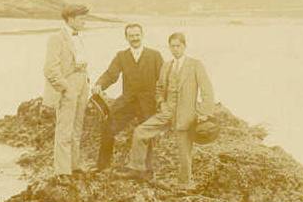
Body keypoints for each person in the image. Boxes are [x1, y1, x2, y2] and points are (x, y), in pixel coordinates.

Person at [119, 32, 215, 187]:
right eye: (172, 46)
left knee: (184, 152)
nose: (175, 49)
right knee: (140, 132)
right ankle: (137, 168)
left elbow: (207, 90)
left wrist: (204, 113)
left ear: (184, 46)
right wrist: (161, 102)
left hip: (186, 115)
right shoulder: (166, 65)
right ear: (169, 47)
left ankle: (184, 184)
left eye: (178, 46)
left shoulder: (195, 65)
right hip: (166, 112)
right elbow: (159, 88)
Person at [92, 23, 164, 170]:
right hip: (127, 102)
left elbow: (163, 79)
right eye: (131, 36)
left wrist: (162, 100)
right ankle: (102, 166)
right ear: (126, 38)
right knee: (108, 127)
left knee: (147, 136)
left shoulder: (155, 55)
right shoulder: (121, 56)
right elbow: (111, 74)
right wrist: (99, 84)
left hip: (147, 103)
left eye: (137, 35)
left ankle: (147, 170)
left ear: (142, 35)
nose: (135, 38)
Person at [43, 4, 91, 177]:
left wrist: (85, 82)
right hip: (68, 86)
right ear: (70, 19)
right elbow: (50, 69)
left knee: (77, 127)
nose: (84, 22)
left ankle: (74, 166)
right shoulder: (57, 38)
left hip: (82, 84)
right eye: (81, 19)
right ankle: (63, 171)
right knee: (64, 129)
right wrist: (65, 87)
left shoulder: (78, 37)